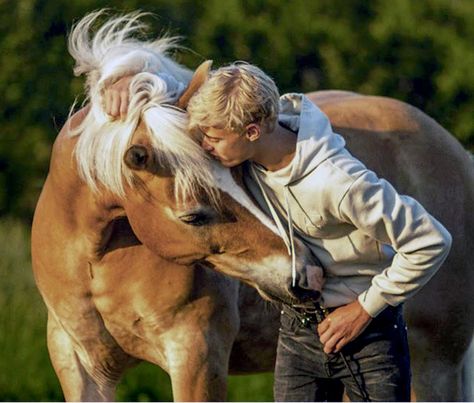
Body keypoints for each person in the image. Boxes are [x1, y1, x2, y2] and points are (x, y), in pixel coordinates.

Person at [104, 62, 452, 402]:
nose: (204, 148)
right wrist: (127, 78)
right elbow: (180, 99)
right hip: (298, 332)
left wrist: (364, 308)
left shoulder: (340, 183)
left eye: (212, 138)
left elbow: (431, 241)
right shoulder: (242, 163)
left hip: (367, 337)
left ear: (252, 132)